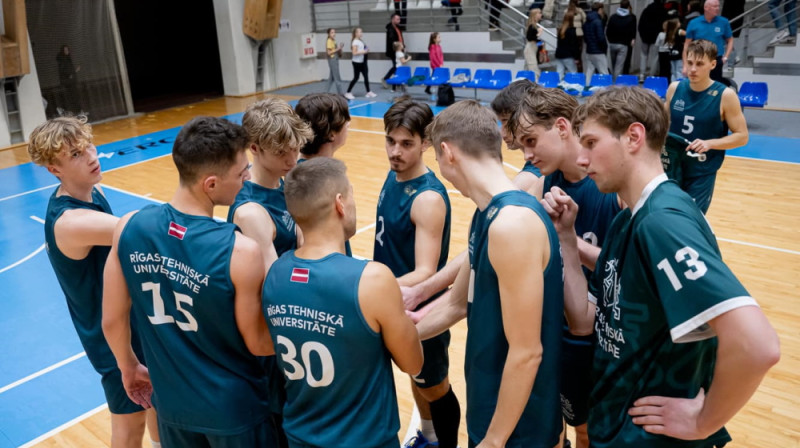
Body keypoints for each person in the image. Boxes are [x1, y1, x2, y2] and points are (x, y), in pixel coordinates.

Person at [546, 85, 779, 448]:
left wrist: (705, 421)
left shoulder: (663, 222)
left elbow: (757, 343)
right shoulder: (631, 219)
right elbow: (596, 308)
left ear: (633, 137)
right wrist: (565, 239)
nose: (581, 159)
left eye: (591, 143)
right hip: (619, 424)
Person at [102, 116, 278, 447]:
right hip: (234, 411)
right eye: (241, 173)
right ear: (210, 184)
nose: (248, 178)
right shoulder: (240, 250)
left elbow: (111, 320)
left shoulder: (127, 228)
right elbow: (258, 343)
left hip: (172, 409)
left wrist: (129, 367)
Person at [418, 100, 564, 448]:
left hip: (518, 428)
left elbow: (527, 352)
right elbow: (455, 305)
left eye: (438, 162)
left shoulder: (512, 225)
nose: (443, 172)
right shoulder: (487, 214)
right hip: (490, 407)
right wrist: (384, 336)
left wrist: (495, 440)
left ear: (447, 152)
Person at [263, 157, 424, 448]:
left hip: (299, 436)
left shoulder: (274, 274)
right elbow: (413, 363)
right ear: (340, 203)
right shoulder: (372, 280)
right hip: (365, 440)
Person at [28, 116, 159, 448]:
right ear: (53, 169)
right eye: (75, 155)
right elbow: (138, 233)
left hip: (131, 321)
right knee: (130, 428)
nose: (90, 156)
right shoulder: (70, 221)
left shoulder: (93, 190)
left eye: (88, 145)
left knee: (159, 407)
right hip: (113, 341)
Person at [506, 86, 623, 448]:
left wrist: (570, 239)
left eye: (530, 141)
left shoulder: (611, 187)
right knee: (556, 423)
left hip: (605, 335)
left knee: (589, 430)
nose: (526, 154)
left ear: (561, 127)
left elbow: (627, 264)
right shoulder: (546, 181)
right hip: (562, 329)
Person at [372, 100, 460, 448]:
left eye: (406, 144)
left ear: (426, 143)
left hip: (420, 308)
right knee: (416, 375)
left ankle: (446, 443)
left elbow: (425, 270)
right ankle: (427, 434)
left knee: (435, 386)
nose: (395, 151)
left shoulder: (426, 198)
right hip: (394, 301)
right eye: (390, 141)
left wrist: (370, 286)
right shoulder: (395, 175)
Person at [226, 98, 313, 448]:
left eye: (295, 149)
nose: (292, 159)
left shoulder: (287, 181)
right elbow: (275, 289)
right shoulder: (249, 210)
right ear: (254, 149)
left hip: (298, 321)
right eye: (282, 153)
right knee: (284, 427)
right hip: (275, 334)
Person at [665, 39, 748, 213]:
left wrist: (710, 143)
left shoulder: (725, 95)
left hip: (701, 171)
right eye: (690, 63)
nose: (693, 69)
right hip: (670, 166)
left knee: (690, 219)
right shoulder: (674, 88)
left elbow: (742, 136)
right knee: (664, 216)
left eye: (700, 64)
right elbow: (662, 125)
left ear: (712, 64)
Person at [294, 92, 355, 258]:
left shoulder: (298, 170)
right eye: (344, 120)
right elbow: (306, 242)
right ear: (331, 134)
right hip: (329, 271)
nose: (348, 123)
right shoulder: (313, 180)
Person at [683, 0, 733, 83]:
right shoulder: (694, 23)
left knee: (715, 86)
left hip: (716, 60)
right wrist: (685, 65)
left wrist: (726, 57)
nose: (717, 8)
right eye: (714, 6)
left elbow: (730, 40)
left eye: (718, 6)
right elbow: (686, 45)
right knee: (697, 83)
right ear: (706, 7)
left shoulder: (723, 22)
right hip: (698, 59)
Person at [606, 0, 637, 80]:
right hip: (623, 44)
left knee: (613, 65)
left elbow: (608, 31)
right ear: (628, 6)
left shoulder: (613, 17)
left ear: (619, 6)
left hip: (612, 43)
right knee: (619, 67)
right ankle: (616, 84)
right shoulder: (630, 18)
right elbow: (632, 31)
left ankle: (612, 81)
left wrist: (610, 40)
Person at [638, 0, 666, 80]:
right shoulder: (662, 11)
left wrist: (642, 35)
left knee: (643, 56)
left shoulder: (646, 10)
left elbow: (640, 24)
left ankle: (641, 75)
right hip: (656, 37)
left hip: (645, 37)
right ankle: (651, 75)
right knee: (654, 57)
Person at [346, 27, 377, 99]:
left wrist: (366, 49)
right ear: (356, 33)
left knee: (366, 76)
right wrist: (364, 51)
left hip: (362, 62)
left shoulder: (360, 41)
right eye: (360, 32)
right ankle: (348, 92)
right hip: (356, 63)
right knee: (356, 78)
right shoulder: (355, 41)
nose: (361, 33)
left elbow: (362, 49)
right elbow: (354, 52)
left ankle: (368, 92)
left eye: (361, 32)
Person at [584, 2, 610, 81]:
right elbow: (601, 38)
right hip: (598, 51)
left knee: (589, 71)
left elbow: (585, 37)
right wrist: (604, 47)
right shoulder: (598, 22)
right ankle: (608, 90)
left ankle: (587, 88)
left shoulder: (586, 22)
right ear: (600, 9)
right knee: (604, 72)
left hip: (589, 50)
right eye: (602, 10)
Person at [56, 45, 81, 114]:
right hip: (68, 83)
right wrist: (74, 71)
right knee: (71, 97)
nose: (67, 51)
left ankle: (76, 111)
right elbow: (65, 72)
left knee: (74, 96)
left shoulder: (67, 59)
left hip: (70, 82)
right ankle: (72, 111)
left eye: (67, 50)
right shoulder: (63, 60)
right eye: (65, 50)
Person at [556, 11, 582, 78]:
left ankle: (558, 87)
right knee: (573, 73)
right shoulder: (571, 31)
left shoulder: (560, 30)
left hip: (559, 54)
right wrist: (577, 57)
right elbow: (574, 46)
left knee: (559, 73)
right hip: (568, 55)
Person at [383, 14, 404, 88]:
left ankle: (396, 81)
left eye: (399, 19)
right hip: (394, 51)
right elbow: (393, 41)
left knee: (396, 66)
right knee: (396, 66)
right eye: (397, 19)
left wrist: (402, 46)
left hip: (399, 50)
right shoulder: (390, 29)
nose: (399, 20)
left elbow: (400, 38)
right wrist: (398, 48)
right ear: (392, 19)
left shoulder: (398, 28)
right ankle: (387, 79)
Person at [324, 28, 346, 97]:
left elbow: (337, 50)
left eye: (334, 32)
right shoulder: (329, 41)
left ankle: (324, 93)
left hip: (335, 59)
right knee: (337, 78)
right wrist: (338, 48)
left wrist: (340, 49)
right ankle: (341, 95)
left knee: (331, 78)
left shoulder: (334, 41)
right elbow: (329, 52)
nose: (334, 34)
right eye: (332, 32)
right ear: (329, 34)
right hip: (332, 59)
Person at [524, 9, 543, 76]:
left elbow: (536, 40)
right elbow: (529, 38)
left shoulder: (536, 25)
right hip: (530, 48)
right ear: (535, 15)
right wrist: (538, 34)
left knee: (527, 68)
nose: (541, 14)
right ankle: (536, 83)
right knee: (533, 67)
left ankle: (524, 82)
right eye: (539, 13)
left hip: (534, 48)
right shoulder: (532, 26)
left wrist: (541, 43)